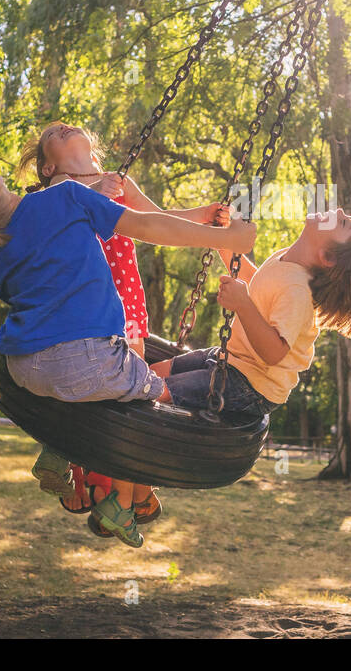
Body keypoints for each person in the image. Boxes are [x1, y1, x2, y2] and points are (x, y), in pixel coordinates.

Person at [0, 158, 255, 546]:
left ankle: (58, 449)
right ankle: (120, 502)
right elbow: (147, 225)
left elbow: (45, 241)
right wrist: (223, 239)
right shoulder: (67, 196)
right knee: (161, 400)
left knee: (81, 392)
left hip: (24, 367)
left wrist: (92, 197)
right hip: (88, 356)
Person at [14, 122, 230, 536]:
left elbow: (155, 221)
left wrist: (203, 218)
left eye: (68, 126)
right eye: (51, 135)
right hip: (79, 306)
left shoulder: (119, 181)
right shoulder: (50, 195)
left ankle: (116, 493)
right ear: (45, 166)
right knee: (78, 377)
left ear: (93, 152)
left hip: (124, 305)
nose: (61, 126)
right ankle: (65, 460)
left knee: (116, 394)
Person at [152, 206, 351, 421]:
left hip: (252, 384)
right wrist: (225, 243)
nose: (339, 212)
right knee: (152, 373)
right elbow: (259, 284)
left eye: (344, 224)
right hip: (232, 360)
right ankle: (138, 489)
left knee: (153, 391)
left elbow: (274, 352)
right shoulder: (287, 260)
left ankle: (133, 480)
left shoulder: (298, 292)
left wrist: (243, 304)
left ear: (327, 256)